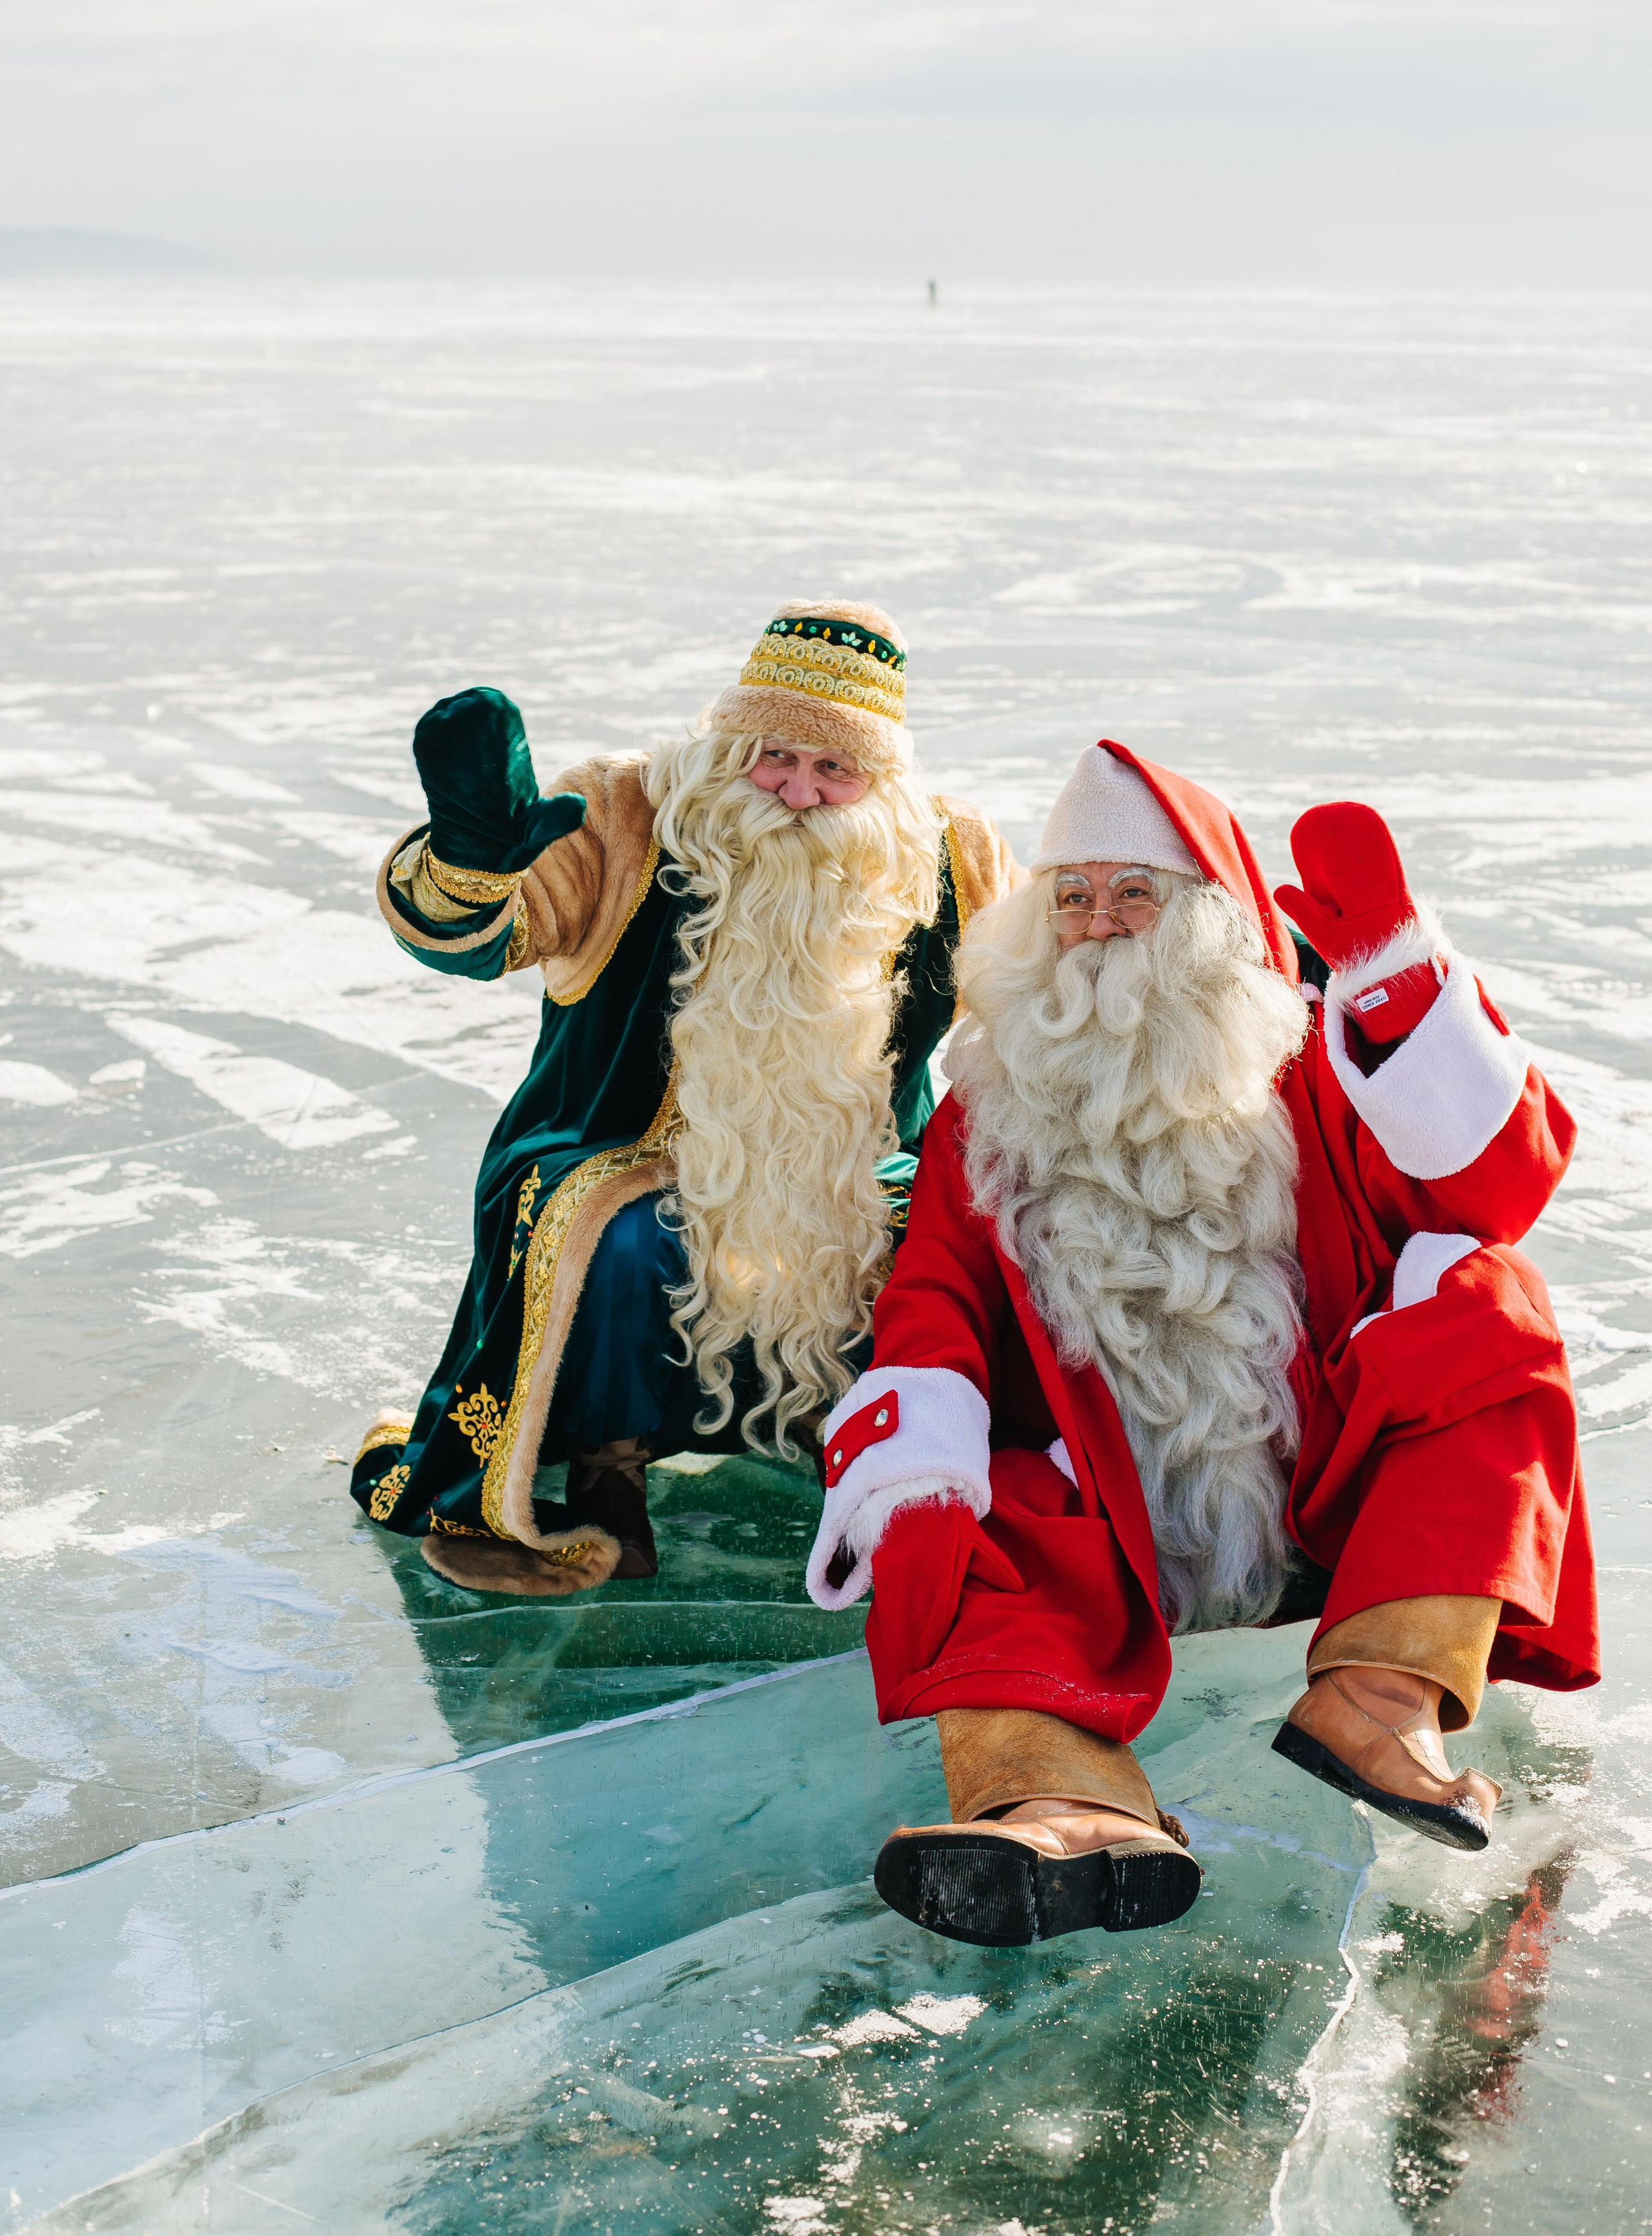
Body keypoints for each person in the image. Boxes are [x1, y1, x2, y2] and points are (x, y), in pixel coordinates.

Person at [806, 740, 1598, 1946]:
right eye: (1072, 896)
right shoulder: (995, 1099)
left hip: (1316, 1503)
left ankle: (1381, 1696)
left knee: (1491, 1307)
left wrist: (1395, 984)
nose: (1099, 927)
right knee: (963, 1485)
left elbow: (1491, 1186)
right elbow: (937, 1293)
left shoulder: (1312, 1072)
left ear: (1212, 922)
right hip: (1102, 1513)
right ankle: (1057, 1795)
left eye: (1137, 894)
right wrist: (920, 1443)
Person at [351, 601, 1015, 1595]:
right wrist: (471, 864)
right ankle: (605, 1463)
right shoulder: (622, 811)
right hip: (619, 1148)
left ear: (882, 778)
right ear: (729, 739)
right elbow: (488, 937)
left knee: (954, 1226)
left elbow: (1039, 991)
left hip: (849, 1159)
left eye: (835, 771)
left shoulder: (950, 853)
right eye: (774, 757)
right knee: (624, 1239)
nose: (797, 792)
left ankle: (849, 1427)